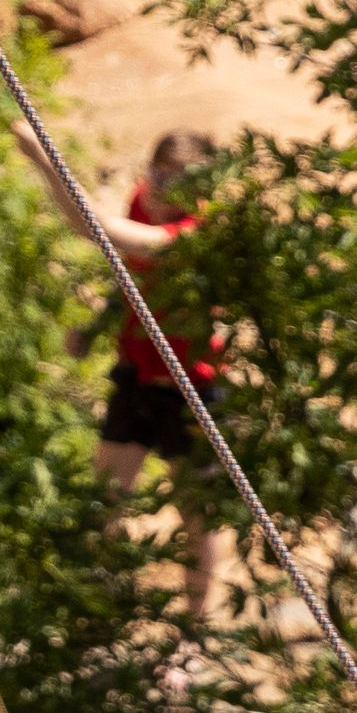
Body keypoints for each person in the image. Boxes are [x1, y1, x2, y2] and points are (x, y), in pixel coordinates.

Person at [86, 130, 233, 626]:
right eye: (159, 172)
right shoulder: (140, 204)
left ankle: (198, 628)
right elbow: (127, 275)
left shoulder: (199, 231)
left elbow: (105, 233)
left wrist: (42, 158)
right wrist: (93, 327)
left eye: (178, 179)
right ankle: (103, 610)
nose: (163, 187)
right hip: (137, 376)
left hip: (190, 390)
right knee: (105, 498)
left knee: (199, 518)